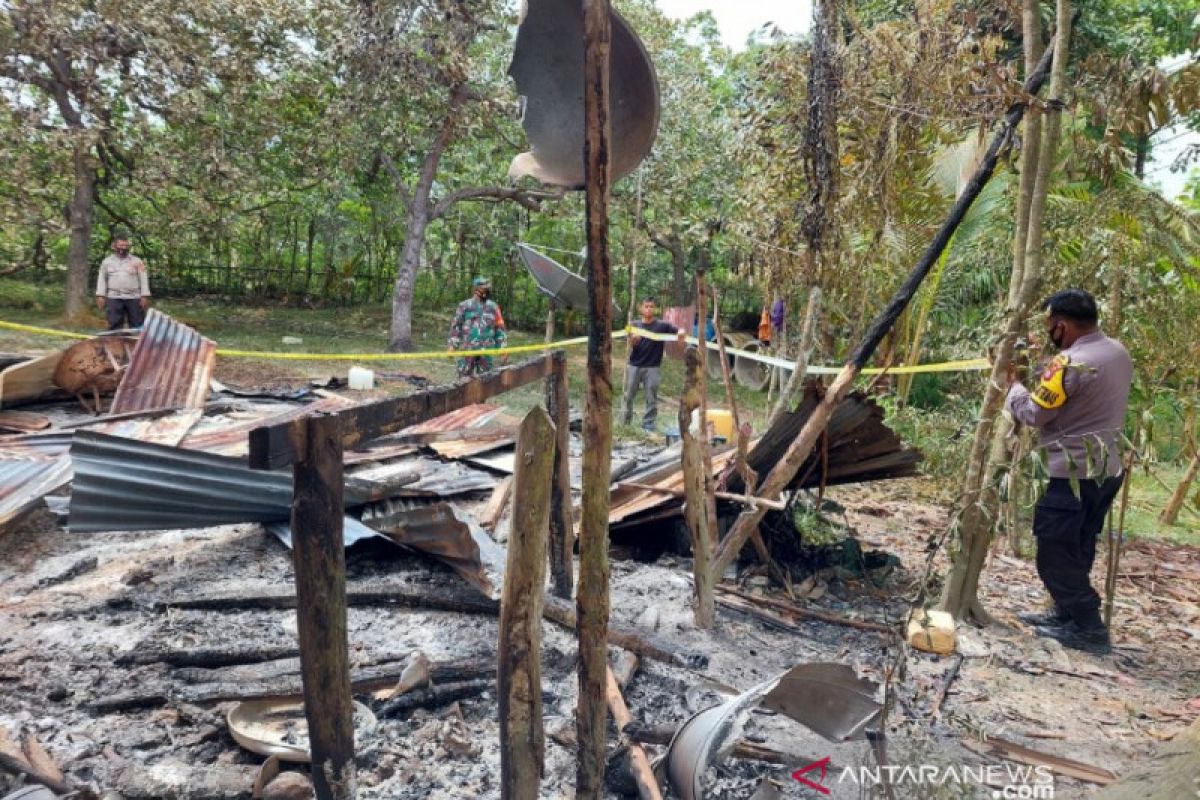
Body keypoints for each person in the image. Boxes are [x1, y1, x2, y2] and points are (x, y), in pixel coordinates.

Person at [1005, 289, 1132, 655]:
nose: (1048, 331)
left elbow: (1033, 413)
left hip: (1070, 472)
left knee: (1055, 552)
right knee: (1078, 546)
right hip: (1105, 470)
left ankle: (1090, 628)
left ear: (1060, 325)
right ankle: (1066, 616)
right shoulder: (1116, 352)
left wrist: (1013, 387)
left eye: (1049, 326)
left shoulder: (1066, 364)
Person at [621, 298, 685, 431]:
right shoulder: (633, 324)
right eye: (646, 306)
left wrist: (681, 332)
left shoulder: (662, 325)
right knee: (629, 394)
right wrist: (634, 339)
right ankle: (625, 421)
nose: (649, 309)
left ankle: (648, 425)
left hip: (653, 367)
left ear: (655, 309)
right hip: (635, 365)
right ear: (641, 308)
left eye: (651, 306)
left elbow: (679, 331)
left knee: (651, 396)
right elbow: (630, 341)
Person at [448, 276, 507, 377]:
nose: (486, 291)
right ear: (476, 289)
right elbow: (456, 327)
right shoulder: (465, 306)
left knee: (486, 383)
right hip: (468, 349)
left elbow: (499, 329)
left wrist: (502, 347)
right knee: (463, 382)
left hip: (485, 351)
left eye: (487, 289)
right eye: (484, 289)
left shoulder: (494, 307)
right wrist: (452, 345)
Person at [96, 235, 150, 330]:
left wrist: (144, 296)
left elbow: (144, 279)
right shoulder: (107, 262)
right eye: (120, 245)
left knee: (137, 324)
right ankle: (114, 344)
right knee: (114, 324)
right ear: (115, 246)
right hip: (114, 297)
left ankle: (135, 344)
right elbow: (102, 279)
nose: (123, 248)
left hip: (134, 297)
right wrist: (101, 295)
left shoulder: (137, 261)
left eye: (126, 246)